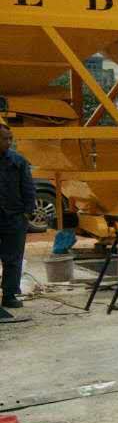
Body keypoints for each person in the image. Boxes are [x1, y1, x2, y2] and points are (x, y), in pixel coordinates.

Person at [0, 122, 36, 317]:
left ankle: (9, 295)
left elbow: (28, 188)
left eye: (10, 138)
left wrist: (27, 213)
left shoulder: (18, 161)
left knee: (13, 258)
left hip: (14, 217)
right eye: (4, 139)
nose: (8, 142)